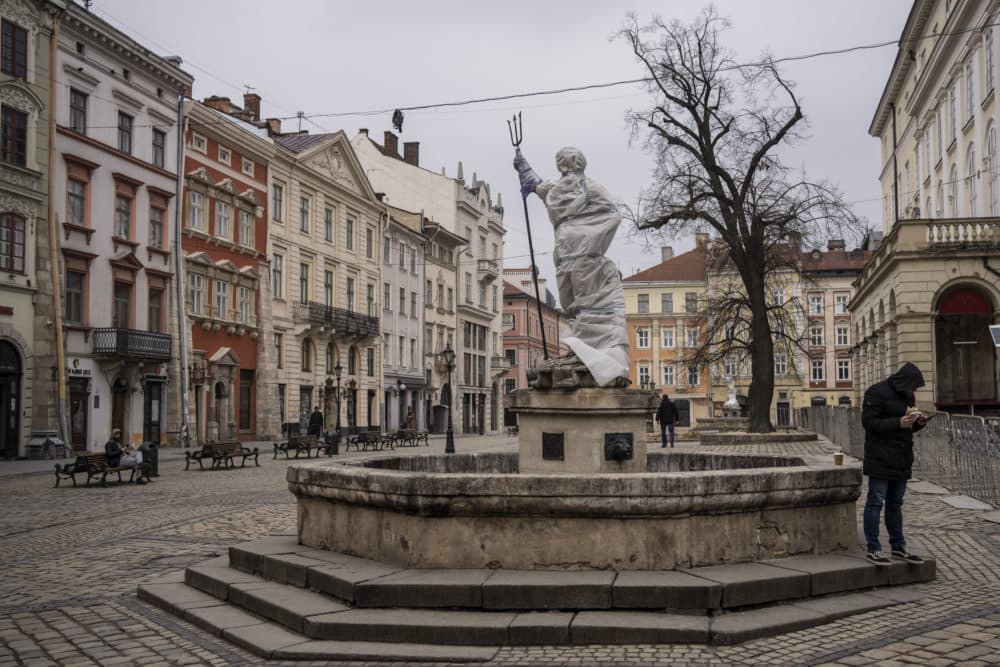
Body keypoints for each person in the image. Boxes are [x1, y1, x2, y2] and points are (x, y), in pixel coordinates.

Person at [861, 362, 928, 566]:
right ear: (904, 382)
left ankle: (898, 546)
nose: (914, 391)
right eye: (913, 386)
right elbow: (869, 423)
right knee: (875, 502)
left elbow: (906, 426)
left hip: (901, 458)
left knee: (895, 504)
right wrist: (898, 423)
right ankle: (873, 548)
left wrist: (917, 423)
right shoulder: (875, 392)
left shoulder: (908, 396)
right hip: (880, 457)